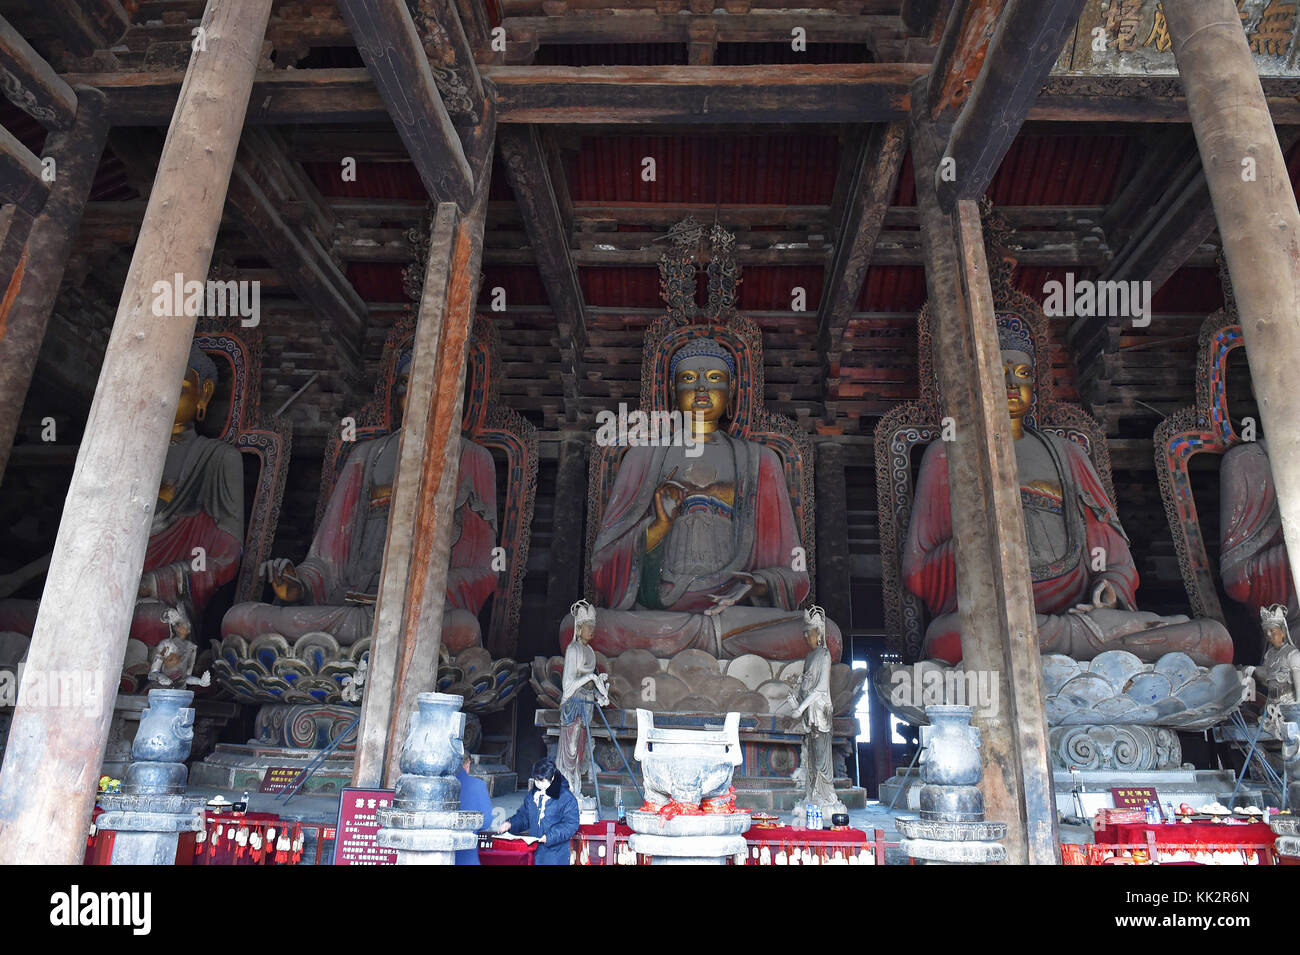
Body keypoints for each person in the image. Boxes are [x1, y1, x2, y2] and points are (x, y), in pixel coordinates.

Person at [497, 759, 580, 865]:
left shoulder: (566, 798)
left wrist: (550, 836)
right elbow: (524, 816)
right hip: (535, 850)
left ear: (552, 778)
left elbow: (571, 824)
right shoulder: (533, 795)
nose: (538, 784)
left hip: (555, 853)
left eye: (542, 781)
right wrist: (510, 824)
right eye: (536, 780)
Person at [456, 753, 493, 865]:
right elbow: (486, 821)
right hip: (466, 856)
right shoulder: (478, 785)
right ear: (468, 764)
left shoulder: (438, 784)